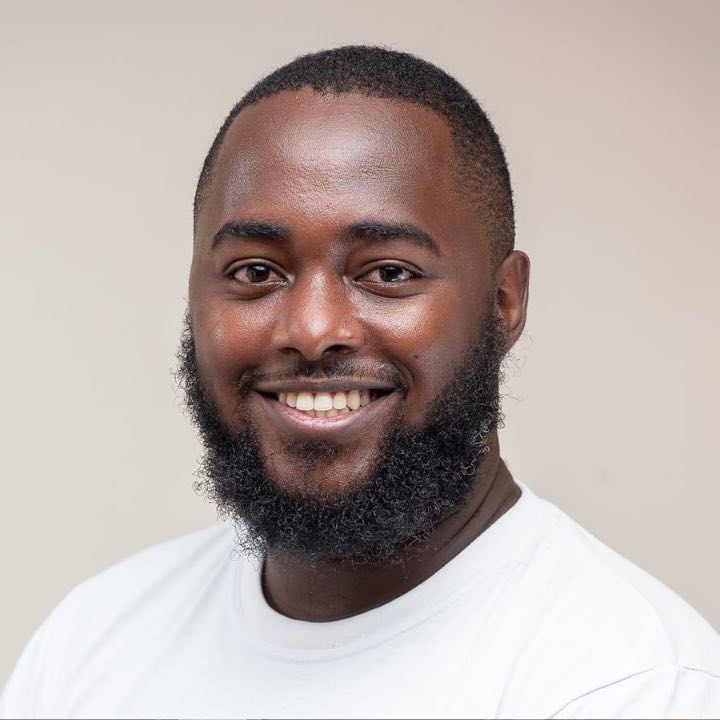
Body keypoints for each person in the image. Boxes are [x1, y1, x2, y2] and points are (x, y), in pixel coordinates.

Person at [2, 45, 719, 719]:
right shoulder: (88, 647)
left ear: (504, 303)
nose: (313, 330)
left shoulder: (629, 685)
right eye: (256, 272)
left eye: (389, 273)